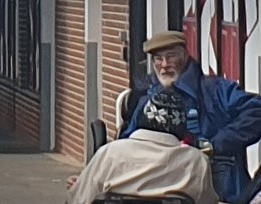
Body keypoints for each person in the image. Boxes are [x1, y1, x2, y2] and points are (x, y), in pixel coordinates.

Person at [122, 32, 261, 204]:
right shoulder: (148, 98)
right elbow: (127, 141)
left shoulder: (215, 90)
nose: (164, 65)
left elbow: (260, 112)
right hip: (159, 189)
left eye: (171, 57)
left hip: (218, 191)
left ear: (185, 56)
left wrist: (216, 144)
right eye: (158, 59)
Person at [68, 85, 220, 204]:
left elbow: (79, 200)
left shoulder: (110, 153)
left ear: (144, 118)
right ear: (181, 128)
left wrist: (78, 186)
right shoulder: (196, 161)